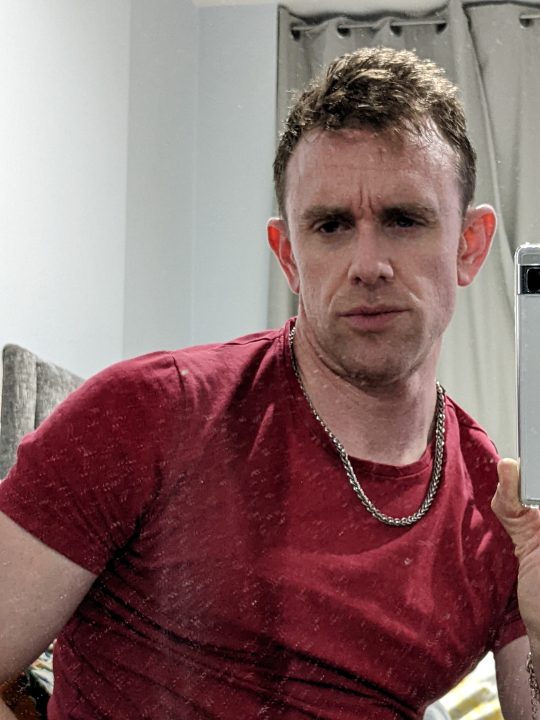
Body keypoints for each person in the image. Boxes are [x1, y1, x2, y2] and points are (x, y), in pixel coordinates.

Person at [0, 46, 538, 720]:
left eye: (404, 220)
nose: (368, 263)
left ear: (470, 244)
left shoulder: (501, 512)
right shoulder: (146, 413)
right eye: (331, 226)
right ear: (288, 255)